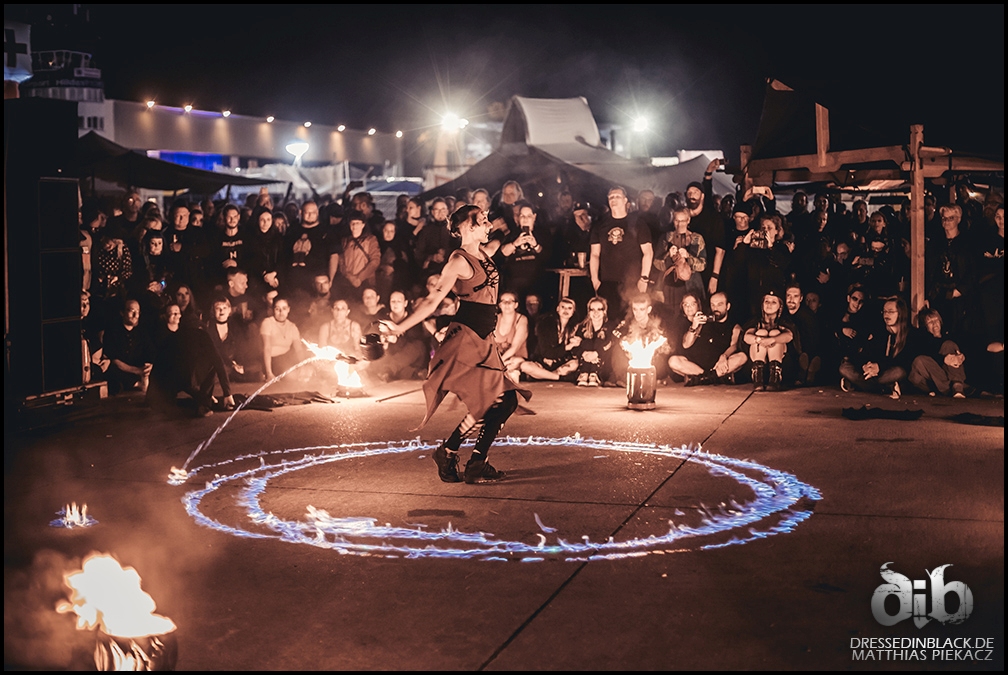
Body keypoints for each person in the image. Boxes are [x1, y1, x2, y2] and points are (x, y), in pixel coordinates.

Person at [379, 204, 531, 485]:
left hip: (484, 337)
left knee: (500, 401)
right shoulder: (458, 262)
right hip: (468, 338)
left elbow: (499, 247)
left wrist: (515, 242)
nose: (489, 225)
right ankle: (472, 461)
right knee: (500, 400)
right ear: (467, 227)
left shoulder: (483, 251)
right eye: (483, 221)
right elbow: (433, 300)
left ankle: (452, 453)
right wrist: (399, 328)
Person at [590, 186, 653, 320]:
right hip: (607, 282)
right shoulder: (600, 225)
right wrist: (595, 280)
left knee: (631, 320)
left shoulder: (637, 223)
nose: (614, 199)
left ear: (625, 200)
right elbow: (595, 254)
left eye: (617, 196)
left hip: (632, 282)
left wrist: (644, 278)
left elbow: (648, 253)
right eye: (611, 197)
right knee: (608, 320)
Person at [839, 296, 915, 399]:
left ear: (900, 313)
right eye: (884, 312)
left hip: (887, 371)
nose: (886, 315)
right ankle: (885, 387)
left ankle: (859, 384)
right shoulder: (880, 331)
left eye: (891, 312)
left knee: (899, 372)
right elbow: (867, 352)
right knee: (844, 368)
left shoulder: (910, 334)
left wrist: (879, 367)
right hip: (875, 373)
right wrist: (866, 366)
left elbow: (903, 360)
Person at [669, 291, 747, 386]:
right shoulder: (704, 320)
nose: (715, 308)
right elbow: (686, 344)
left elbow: (734, 345)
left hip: (718, 365)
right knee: (673, 361)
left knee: (742, 357)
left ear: (728, 306)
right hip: (697, 366)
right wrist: (694, 326)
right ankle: (715, 378)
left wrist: (724, 356)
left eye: (720, 304)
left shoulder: (734, 326)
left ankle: (702, 379)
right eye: (713, 305)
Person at [610, 292, 671, 384]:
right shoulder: (627, 323)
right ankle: (625, 379)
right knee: (617, 349)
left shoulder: (658, 323)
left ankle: (650, 379)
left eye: (641, 309)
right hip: (632, 361)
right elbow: (615, 337)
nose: (637, 313)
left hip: (653, 362)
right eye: (635, 309)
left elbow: (666, 347)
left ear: (649, 309)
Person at [908, 307, 969, 398]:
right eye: (930, 322)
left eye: (936, 320)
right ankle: (955, 388)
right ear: (925, 326)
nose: (934, 324)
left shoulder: (950, 337)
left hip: (950, 374)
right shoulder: (923, 339)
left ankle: (956, 386)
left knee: (949, 345)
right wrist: (944, 359)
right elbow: (919, 357)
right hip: (932, 374)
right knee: (918, 362)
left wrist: (962, 356)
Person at [742, 289, 794, 391]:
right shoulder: (756, 321)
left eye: (773, 302)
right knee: (761, 333)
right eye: (767, 301)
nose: (769, 305)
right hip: (759, 359)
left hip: (780, 362)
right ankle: (758, 377)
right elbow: (746, 337)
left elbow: (789, 336)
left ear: (780, 305)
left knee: (775, 333)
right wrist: (759, 339)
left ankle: (775, 377)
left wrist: (772, 339)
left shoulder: (784, 321)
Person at [519, 297, 580, 382]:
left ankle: (544, 375)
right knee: (525, 366)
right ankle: (556, 377)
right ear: (558, 309)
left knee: (575, 364)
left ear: (573, 311)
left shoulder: (574, 328)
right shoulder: (546, 324)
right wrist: (568, 347)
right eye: (563, 307)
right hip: (543, 361)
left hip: (560, 364)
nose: (566, 310)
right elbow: (547, 353)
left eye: (569, 308)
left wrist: (578, 343)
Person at [102, 298, 154, 396]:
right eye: (131, 311)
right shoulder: (113, 331)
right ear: (122, 313)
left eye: (137, 312)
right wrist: (136, 371)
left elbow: (150, 351)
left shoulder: (142, 332)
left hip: (140, 369)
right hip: (122, 370)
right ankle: (138, 384)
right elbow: (114, 359)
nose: (135, 315)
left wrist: (147, 367)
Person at [260, 295, 307, 381]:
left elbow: (299, 349)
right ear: (273, 310)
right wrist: (269, 372)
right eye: (277, 309)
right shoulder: (268, 323)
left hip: (285, 359)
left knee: (306, 373)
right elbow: (267, 348)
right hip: (270, 360)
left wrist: (303, 366)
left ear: (288, 309)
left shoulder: (292, 327)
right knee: (291, 376)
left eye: (284, 308)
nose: (281, 312)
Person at [571, 296, 615, 387]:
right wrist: (584, 353)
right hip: (584, 361)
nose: (596, 312)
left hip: (604, 361)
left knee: (598, 343)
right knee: (587, 342)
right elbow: (575, 347)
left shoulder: (610, 326)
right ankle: (584, 373)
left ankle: (595, 374)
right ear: (589, 312)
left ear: (604, 311)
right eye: (592, 309)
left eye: (599, 309)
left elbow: (610, 343)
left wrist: (596, 353)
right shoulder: (581, 327)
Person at [493, 290, 529, 384]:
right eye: (503, 301)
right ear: (499, 305)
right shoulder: (495, 319)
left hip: (514, 359)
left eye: (510, 301)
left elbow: (514, 347)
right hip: (497, 359)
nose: (507, 304)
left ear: (516, 305)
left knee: (511, 367)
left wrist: (498, 364)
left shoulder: (521, 320)